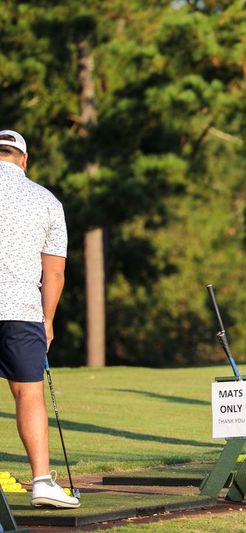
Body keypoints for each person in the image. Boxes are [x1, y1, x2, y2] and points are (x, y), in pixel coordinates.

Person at [0, 130, 79, 508]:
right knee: (27, 392)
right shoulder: (45, 200)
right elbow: (55, 274)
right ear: (24, 160)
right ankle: (42, 482)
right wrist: (47, 321)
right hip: (21, 312)